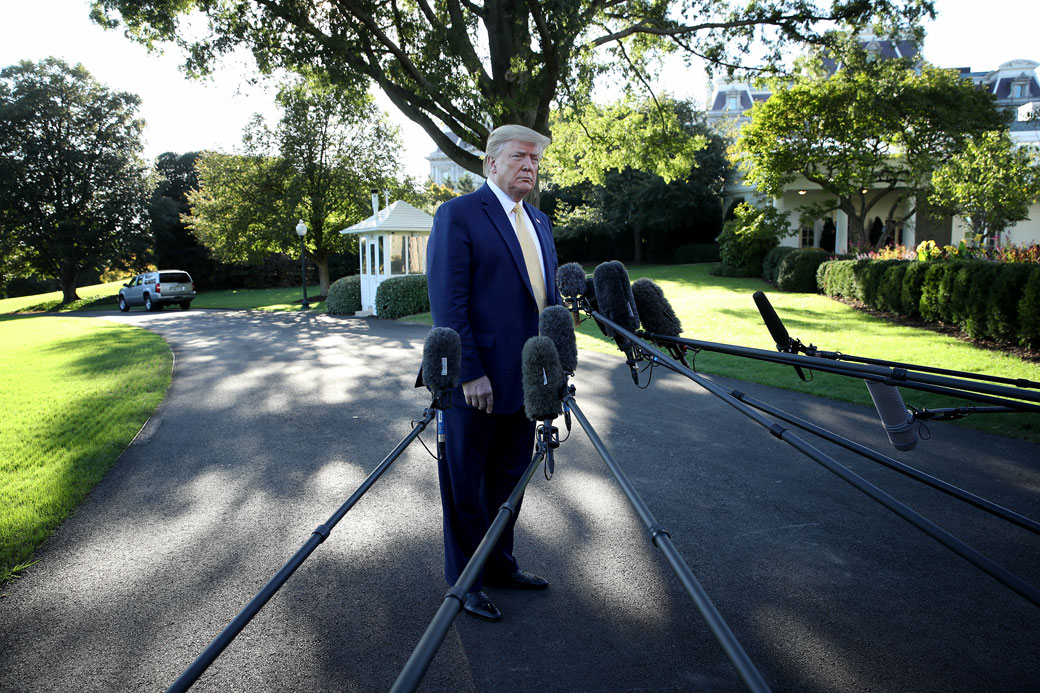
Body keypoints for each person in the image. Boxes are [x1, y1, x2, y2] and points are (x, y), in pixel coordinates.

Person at [425, 124, 561, 622]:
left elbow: (549, 302)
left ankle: (500, 564)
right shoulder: (458, 215)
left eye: (536, 161)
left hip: (526, 383)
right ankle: (467, 583)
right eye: (521, 157)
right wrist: (469, 374)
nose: (530, 166)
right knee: (466, 488)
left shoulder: (541, 223)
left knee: (508, 483)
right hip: (474, 385)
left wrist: (555, 366)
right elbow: (448, 302)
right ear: (491, 164)